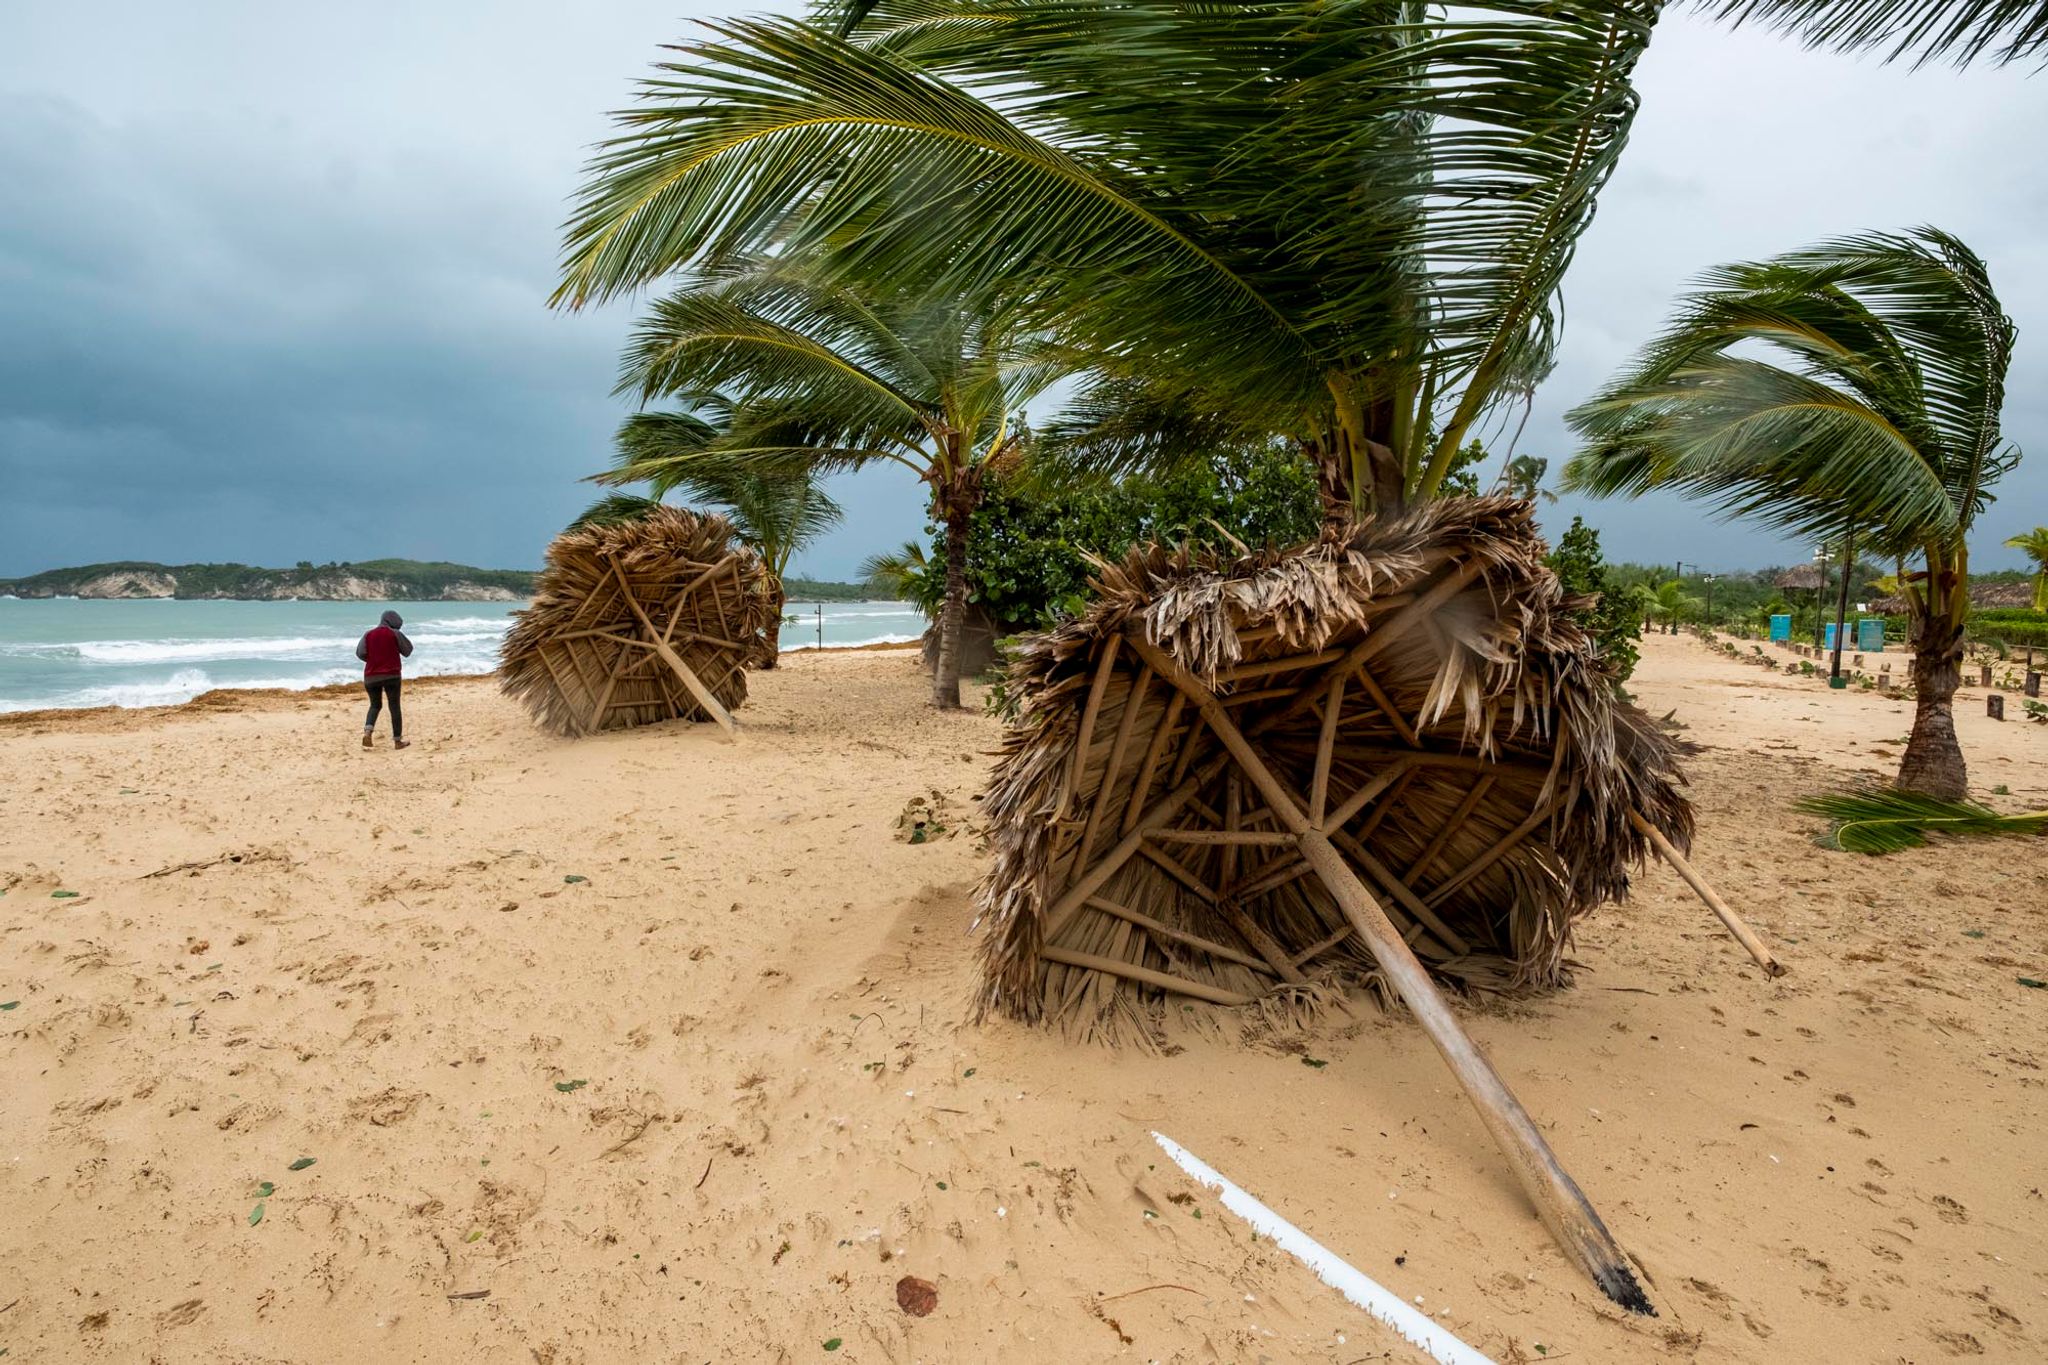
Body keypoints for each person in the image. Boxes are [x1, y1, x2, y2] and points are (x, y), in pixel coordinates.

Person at [356, 609, 414, 749]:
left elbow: (360, 653)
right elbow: (408, 650)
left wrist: (373, 660)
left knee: (375, 705)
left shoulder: (368, 634)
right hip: (391, 675)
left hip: (371, 676)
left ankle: (368, 733)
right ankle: (397, 741)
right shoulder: (395, 633)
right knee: (394, 706)